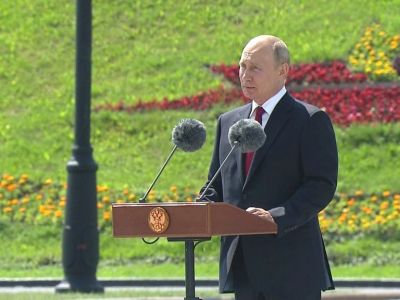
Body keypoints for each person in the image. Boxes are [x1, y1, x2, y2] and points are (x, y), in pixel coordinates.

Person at [200, 35, 338, 299]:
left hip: (292, 269)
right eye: (242, 66)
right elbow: (215, 185)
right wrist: (197, 210)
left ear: (282, 70)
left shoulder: (309, 120)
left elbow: (320, 185)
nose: (245, 75)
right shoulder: (228, 122)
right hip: (242, 269)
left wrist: (276, 217)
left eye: (255, 68)